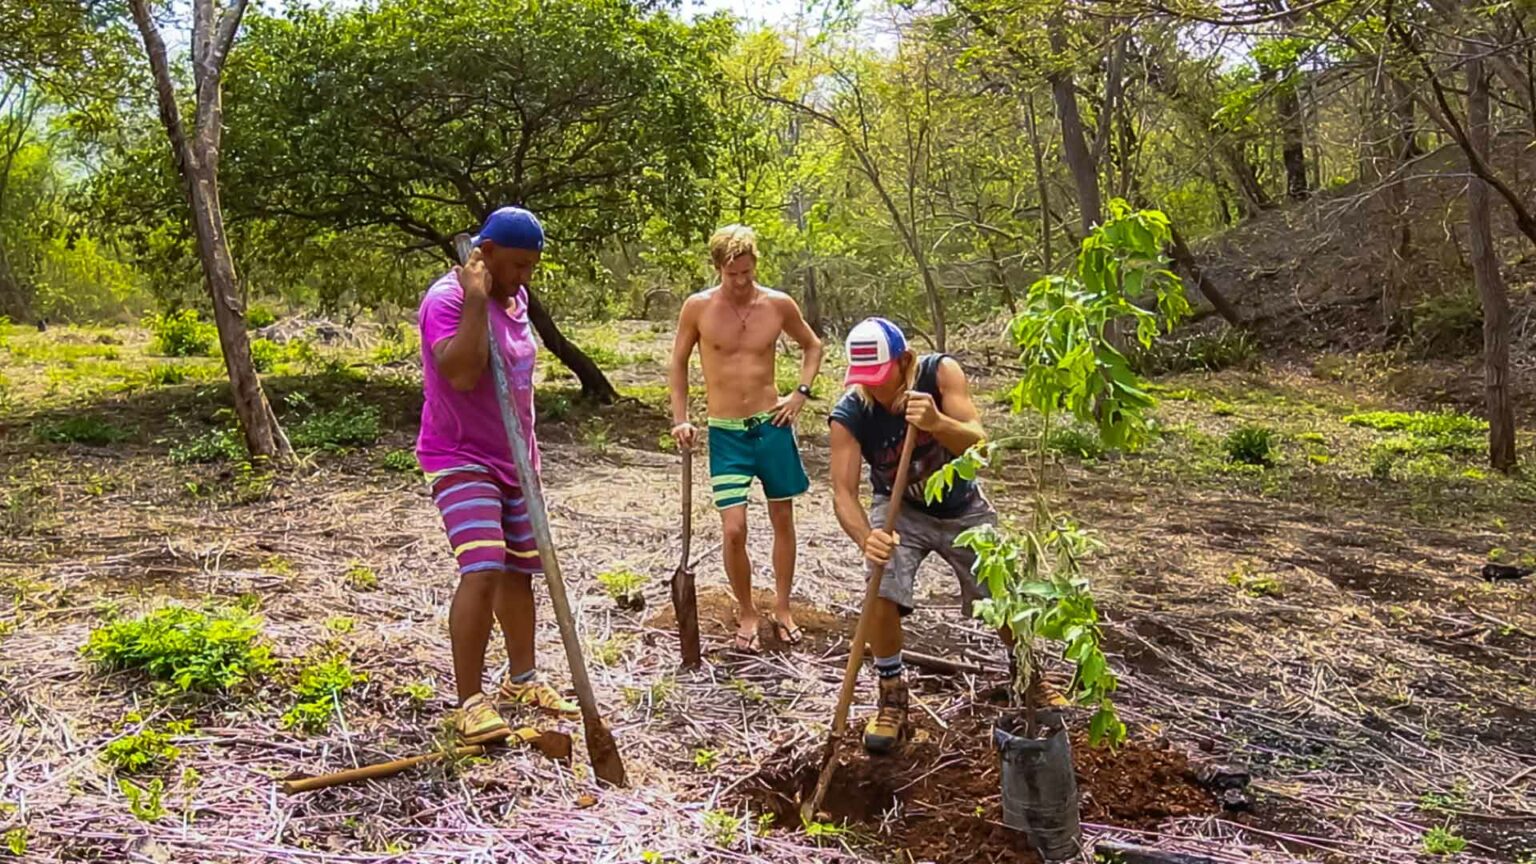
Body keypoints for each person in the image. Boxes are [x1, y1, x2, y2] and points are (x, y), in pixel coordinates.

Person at [416, 206, 577, 744]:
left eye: (532, 266)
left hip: (516, 459)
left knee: (519, 569)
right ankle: (470, 701)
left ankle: (521, 679)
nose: (524, 277)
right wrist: (476, 300)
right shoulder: (447, 300)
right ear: (484, 254)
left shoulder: (517, 297)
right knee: (483, 565)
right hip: (461, 456)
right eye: (515, 265)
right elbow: (462, 374)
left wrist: (527, 459)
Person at [828, 317, 999, 754]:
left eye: (881, 375)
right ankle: (891, 695)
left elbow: (980, 447)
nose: (873, 387)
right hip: (899, 507)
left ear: (904, 361)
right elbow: (842, 492)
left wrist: (937, 422)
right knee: (880, 584)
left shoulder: (940, 375)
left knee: (1001, 589)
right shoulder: (851, 413)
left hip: (962, 506)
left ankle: (1028, 675)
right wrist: (866, 537)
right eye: (865, 378)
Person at [668, 225, 824, 653]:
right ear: (718, 268)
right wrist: (680, 419)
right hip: (726, 434)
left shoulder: (777, 304)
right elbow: (678, 363)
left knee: (782, 518)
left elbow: (813, 346)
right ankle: (747, 611)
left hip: (771, 426)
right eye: (732, 273)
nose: (741, 281)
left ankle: (783, 607)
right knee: (734, 529)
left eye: (747, 273)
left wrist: (800, 393)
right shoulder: (698, 307)